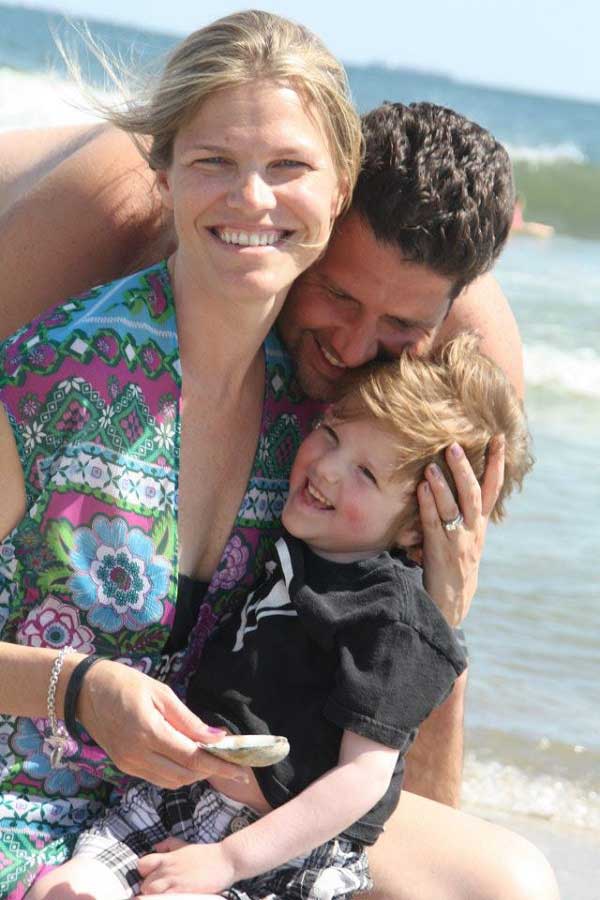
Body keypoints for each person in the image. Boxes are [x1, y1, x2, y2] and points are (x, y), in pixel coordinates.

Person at [0, 76, 560, 900]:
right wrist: (76, 691)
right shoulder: (107, 229)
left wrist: (441, 617)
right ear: (312, 223)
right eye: (338, 294)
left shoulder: (453, 379)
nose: (354, 347)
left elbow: (408, 662)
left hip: (210, 770)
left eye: (400, 328)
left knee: (507, 881)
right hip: (47, 745)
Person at [0, 10, 363, 898]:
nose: (252, 199)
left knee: (502, 876)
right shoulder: (48, 376)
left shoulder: (309, 415)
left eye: (289, 167)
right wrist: (77, 688)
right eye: (213, 163)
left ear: (342, 184)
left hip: (188, 819)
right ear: (162, 174)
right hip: (19, 802)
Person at [27, 333, 533, 900]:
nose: (328, 468)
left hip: (280, 848)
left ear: (420, 521)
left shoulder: (394, 623)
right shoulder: (298, 546)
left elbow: (362, 781)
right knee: (65, 891)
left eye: (366, 474)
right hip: (173, 798)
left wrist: (228, 859)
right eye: (331, 434)